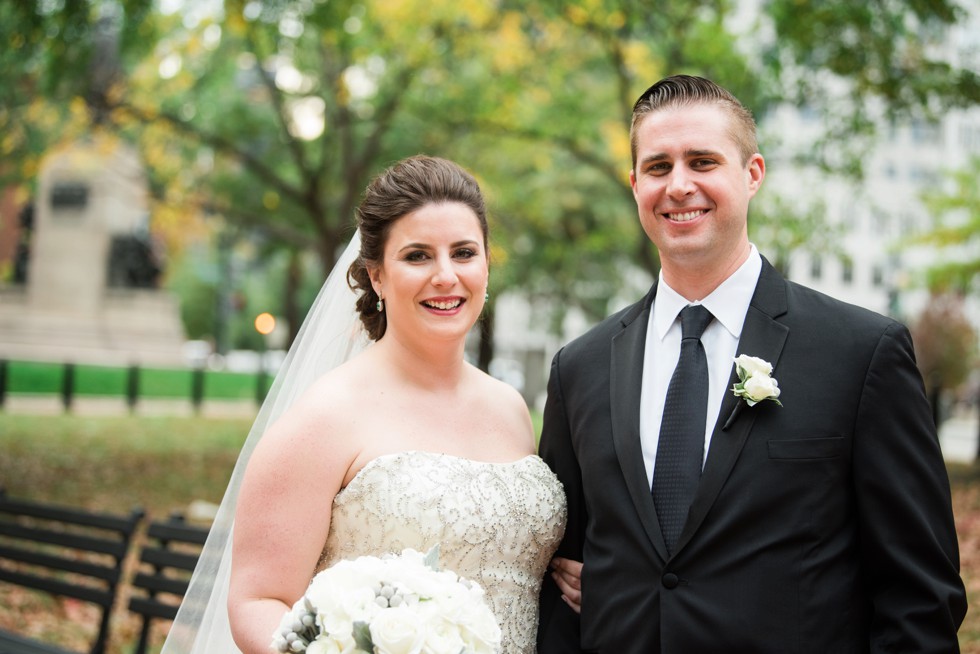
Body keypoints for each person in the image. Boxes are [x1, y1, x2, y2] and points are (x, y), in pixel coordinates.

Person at [536, 75, 966, 653]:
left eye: (703, 161)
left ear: (752, 173)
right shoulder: (579, 369)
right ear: (635, 184)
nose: (679, 185)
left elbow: (920, 596)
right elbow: (563, 579)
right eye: (659, 167)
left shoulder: (862, 353)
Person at [161, 155, 567, 654]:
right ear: (376, 276)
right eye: (417, 256)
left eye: (464, 253)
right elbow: (258, 600)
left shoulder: (510, 407)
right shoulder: (326, 415)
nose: (446, 276)